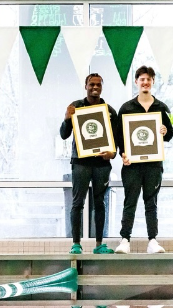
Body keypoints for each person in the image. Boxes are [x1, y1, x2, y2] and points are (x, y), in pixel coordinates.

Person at [115, 65, 173, 254]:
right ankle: (125, 239)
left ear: (153, 82)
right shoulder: (127, 108)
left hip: (154, 165)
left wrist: (165, 132)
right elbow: (119, 136)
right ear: (136, 82)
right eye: (142, 79)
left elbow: (170, 134)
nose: (145, 82)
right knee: (130, 201)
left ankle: (153, 240)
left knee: (151, 202)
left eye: (149, 79)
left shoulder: (162, 108)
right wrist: (123, 154)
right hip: (132, 165)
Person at [59, 73, 118, 254]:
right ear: (85, 86)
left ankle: (99, 244)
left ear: (102, 87)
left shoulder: (109, 111)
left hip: (101, 165)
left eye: (98, 85)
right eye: (91, 84)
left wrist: (113, 153)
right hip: (81, 163)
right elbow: (63, 134)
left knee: (100, 204)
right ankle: (76, 244)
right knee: (77, 203)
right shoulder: (75, 107)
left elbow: (117, 139)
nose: (95, 87)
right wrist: (66, 118)